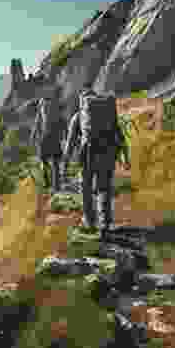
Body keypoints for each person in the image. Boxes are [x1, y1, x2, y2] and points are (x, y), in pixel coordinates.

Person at [64, 87, 131, 241]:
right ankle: (105, 224)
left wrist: (66, 162)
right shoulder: (107, 114)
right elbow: (119, 136)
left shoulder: (79, 117)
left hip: (88, 155)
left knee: (86, 187)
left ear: (83, 102)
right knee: (104, 188)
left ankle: (89, 221)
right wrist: (126, 158)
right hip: (107, 154)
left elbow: (70, 142)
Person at [30, 90, 66, 192]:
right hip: (55, 138)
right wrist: (64, 135)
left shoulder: (42, 106)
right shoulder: (56, 106)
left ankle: (47, 183)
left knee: (43, 161)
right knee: (56, 163)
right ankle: (57, 186)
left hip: (44, 138)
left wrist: (33, 137)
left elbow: (37, 124)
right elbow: (62, 121)